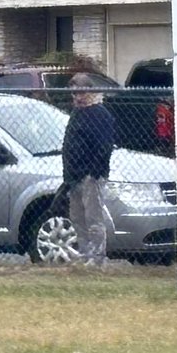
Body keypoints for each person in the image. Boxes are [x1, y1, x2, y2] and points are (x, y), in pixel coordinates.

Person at [62, 72, 115, 266]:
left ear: (90, 92)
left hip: (91, 175)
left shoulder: (100, 115)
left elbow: (104, 147)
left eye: (81, 93)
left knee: (94, 217)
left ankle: (98, 256)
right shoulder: (76, 113)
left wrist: (94, 172)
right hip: (74, 175)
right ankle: (85, 253)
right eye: (74, 94)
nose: (77, 98)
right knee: (77, 217)